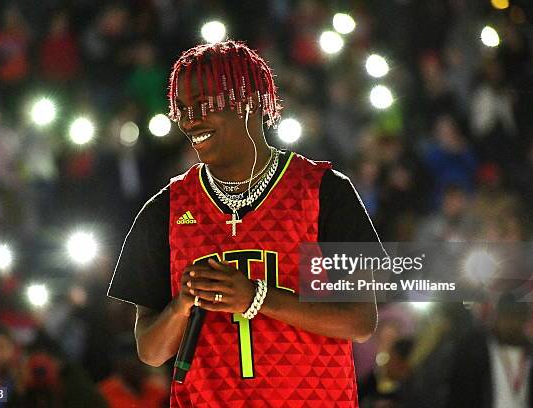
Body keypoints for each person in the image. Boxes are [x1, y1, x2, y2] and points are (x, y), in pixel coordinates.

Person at [108, 40, 382, 406]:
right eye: (183, 109)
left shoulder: (324, 191)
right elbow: (151, 352)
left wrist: (257, 298)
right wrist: (181, 306)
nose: (191, 120)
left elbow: (360, 321)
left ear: (249, 101)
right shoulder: (165, 209)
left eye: (204, 105)